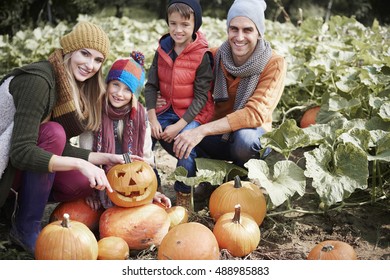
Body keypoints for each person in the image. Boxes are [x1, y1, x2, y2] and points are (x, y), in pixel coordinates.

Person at [0, 21, 125, 255]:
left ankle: (16, 207)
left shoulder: (69, 86)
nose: (90, 65)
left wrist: (105, 157)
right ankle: (27, 227)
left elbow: (55, 147)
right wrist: (81, 163)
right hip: (3, 164)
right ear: (69, 50)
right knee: (55, 132)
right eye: (85, 54)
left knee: (78, 183)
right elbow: (21, 150)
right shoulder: (39, 81)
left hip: (13, 165)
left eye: (98, 60)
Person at [171, 0, 287, 200]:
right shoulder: (215, 56)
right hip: (218, 135)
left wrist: (202, 130)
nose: (239, 37)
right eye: (234, 29)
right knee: (183, 132)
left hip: (250, 136)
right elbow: (190, 92)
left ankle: (242, 181)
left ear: (259, 32)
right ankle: (187, 191)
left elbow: (254, 114)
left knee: (245, 141)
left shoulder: (273, 63)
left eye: (247, 30)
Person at [79, 51, 171, 210]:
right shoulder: (94, 112)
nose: (119, 94)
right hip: (100, 172)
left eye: (127, 89)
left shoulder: (141, 117)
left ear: (134, 95)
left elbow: (146, 160)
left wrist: (150, 191)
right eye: (115, 85)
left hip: (130, 174)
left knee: (150, 207)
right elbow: (86, 154)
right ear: (107, 84)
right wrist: (89, 191)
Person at [144, 0, 214, 209]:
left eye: (184, 24)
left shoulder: (202, 55)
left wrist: (178, 126)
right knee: (143, 133)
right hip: (166, 109)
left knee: (185, 144)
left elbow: (202, 97)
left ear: (195, 25)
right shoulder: (162, 49)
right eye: (173, 24)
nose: (178, 30)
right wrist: (152, 117)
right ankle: (152, 187)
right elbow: (151, 86)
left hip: (192, 114)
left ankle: (183, 194)